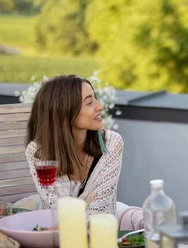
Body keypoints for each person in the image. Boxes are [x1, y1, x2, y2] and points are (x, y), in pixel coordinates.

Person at [25, 75, 124, 215]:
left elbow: (99, 208)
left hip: (99, 233)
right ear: (65, 112)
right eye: (89, 103)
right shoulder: (37, 152)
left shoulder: (112, 143)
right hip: (55, 233)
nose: (100, 107)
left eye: (95, 98)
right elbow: (54, 205)